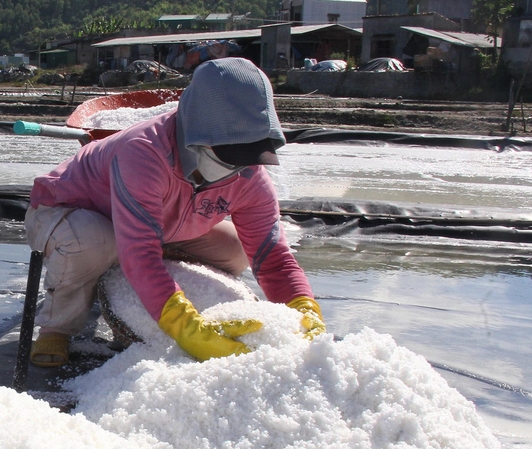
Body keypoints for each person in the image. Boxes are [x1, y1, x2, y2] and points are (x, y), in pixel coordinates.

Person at [24, 57, 324, 367]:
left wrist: (303, 308)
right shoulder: (144, 152)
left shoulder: (248, 174)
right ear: (195, 134)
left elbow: (273, 257)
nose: (237, 167)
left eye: (247, 155)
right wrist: (187, 328)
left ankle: (149, 283)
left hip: (154, 225)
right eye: (228, 154)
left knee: (235, 250)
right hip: (67, 212)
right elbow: (140, 252)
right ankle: (56, 327)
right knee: (94, 242)